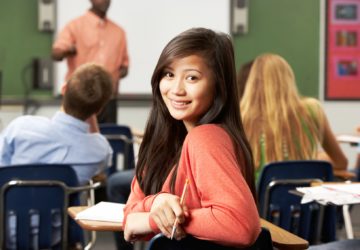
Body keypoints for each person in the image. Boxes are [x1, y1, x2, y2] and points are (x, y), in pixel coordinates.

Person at [122, 28, 260, 247]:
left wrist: (156, 220)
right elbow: (129, 217)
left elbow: (241, 225)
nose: (176, 89)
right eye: (169, 74)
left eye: (192, 77)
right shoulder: (164, 144)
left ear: (218, 85)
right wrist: (158, 201)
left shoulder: (207, 138)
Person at [0, 63, 113, 185]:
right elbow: (104, 165)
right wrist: (91, 108)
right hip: (63, 204)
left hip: (12, 203)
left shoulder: (20, 127)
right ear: (98, 110)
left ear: (64, 89)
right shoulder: (100, 149)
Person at [240, 53, 348, 180]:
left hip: (258, 198)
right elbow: (341, 163)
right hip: (304, 197)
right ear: (288, 78)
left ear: (252, 82)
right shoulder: (312, 110)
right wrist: (315, 158)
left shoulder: (241, 116)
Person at [52, 0, 129, 123]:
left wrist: (113, 77)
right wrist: (68, 50)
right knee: (75, 138)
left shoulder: (119, 32)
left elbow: (124, 67)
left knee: (108, 139)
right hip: (79, 98)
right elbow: (56, 54)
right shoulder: (74, 26)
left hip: (108, 100)